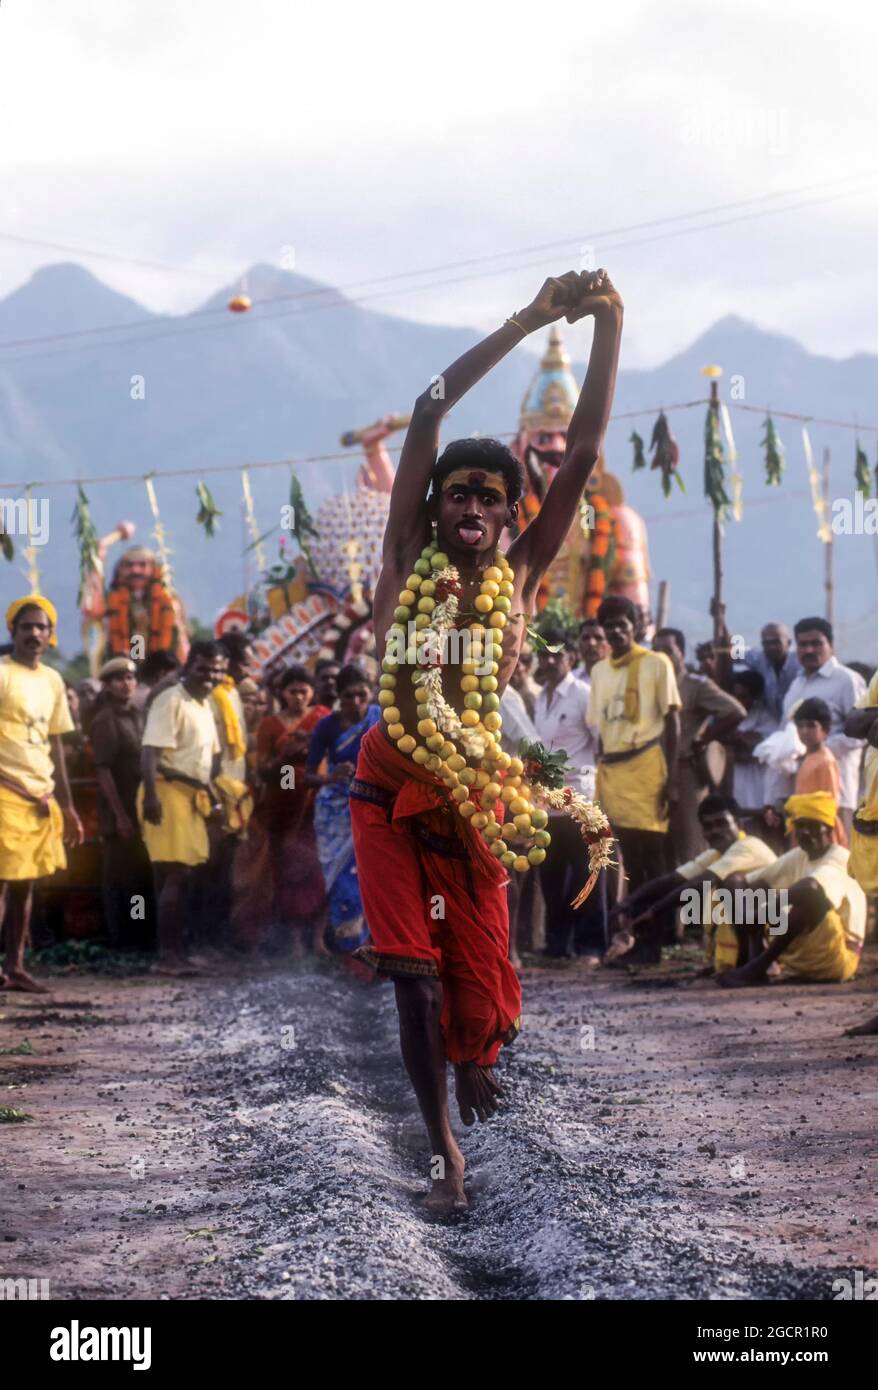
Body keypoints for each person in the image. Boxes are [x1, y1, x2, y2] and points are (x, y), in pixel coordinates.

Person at [349, 267, 624, 1214]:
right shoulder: (401, 563)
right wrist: (529, 320)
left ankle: (474, 1057)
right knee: (413, 982)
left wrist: (609, 323)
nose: (470, 505)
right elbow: (427, 413)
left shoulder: (527, 581)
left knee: (481, 994)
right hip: (388, 790)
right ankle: (442, 1155)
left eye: (490, 498)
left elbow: (582, 453)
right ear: (434, 510)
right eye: (456, 494)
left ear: (511, 517)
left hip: (478, 795)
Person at [0, 597, 83, 992]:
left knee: (25, 883)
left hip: (40, 797)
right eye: (26, 627)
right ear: (12, 632)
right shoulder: (1, 673)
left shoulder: (53, 680)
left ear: (51, 636)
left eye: (41, 627)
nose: (34, 633)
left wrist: (67, 805)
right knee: (0, 882)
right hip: (4, 792)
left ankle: (15, 967)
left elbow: (56, 747)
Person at [607, 793, 776, 968]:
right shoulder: (717, 853)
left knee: (731, 883)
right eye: (708, 826)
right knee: (698, 891)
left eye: (722, 823)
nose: (715, 831)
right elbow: (673, 880)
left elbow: (701, 883)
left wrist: (654, 912)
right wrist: (627, 903)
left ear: (739, 825)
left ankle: (752, 963)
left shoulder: (748, 846)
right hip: (768, 931)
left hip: (780, 930)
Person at [717, 792, 866, 988]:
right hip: (801, 960)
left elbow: (811, 888)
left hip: (837, 958)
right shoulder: (799, 855)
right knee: (736, 884)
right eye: (800, 826)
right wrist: (743, 903)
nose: (804, 832)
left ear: (829, 829)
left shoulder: (840, 858)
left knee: (808, 899)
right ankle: (751, 962)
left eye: (813, 826)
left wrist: (762, 912)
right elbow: (751, 882)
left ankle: (757, 967)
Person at [138, 641, 225, 974]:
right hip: (165, 790)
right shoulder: (170, 699)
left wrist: (216, 800)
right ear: (190, 666)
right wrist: (150, 796)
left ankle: (179, 952)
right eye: (204, 668)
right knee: (176, 872)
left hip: (193, 795)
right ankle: (167, 957)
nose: (211, 675)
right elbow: (150, 753)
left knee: (185, 875)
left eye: (217, 670)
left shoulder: (205, 705)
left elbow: (205, 765)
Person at [588, 595, 681, 894]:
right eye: (610, 626)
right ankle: (634, 932)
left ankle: (655, 935)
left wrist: (673, 779)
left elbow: (673, 723)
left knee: (651, 855)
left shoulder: (657, 663)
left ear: (635, 627)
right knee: (624, 854)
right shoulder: (599, 671)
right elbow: (600, 727)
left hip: (646, 769)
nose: (616, 631)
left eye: (622, 625)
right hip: (613, 775)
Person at [533, 629, 605, 962]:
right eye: (543, 656)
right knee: (551, 876)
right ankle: (557, 946)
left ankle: (590, 945)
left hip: (579, 797)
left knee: (583, 873)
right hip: (546, 801)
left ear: (570, 659)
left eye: (555, 656)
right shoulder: (538, 697)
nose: (548, 662)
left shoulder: (584, 695)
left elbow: (601, 743)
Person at [652, 627, 745, 863]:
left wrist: (704, 738)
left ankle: (700, 899)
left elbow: (735, 711)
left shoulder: (696, 685)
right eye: (656, 650)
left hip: (685, 773)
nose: (661, 655)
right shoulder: (652, 685)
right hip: (652, 772)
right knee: (659, 848)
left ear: (681, 652)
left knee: (690, 846)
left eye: (668, 650)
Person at [307, 665, 381, 956]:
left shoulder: (381, 719)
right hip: (336, 811)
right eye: (348, 696)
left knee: (372, 875)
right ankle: (333, 944)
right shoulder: (327, 726)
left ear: (371, 692)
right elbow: (306, 776)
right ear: (338, 697)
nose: (356, 703)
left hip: (373, 804)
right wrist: (331, 775)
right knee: (335, 875)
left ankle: (369, 943)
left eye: (361, 695)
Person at [256, 665, 330, 957]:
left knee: (318, 867)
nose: (299, 697)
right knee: (288, 868)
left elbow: (334, 752)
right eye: (292, 691)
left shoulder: (323, 717)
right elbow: (262, 768)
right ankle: (296, 940)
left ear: (312, 692)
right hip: (283, 802)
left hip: (318, 801)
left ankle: (318, 938)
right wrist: (283, 758)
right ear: (282, 693)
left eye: (304, 691)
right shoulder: (270, 725)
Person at [771, 618, 865, 834]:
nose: (809, 649)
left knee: (837, 858)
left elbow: (860, 734)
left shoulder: (846, 680)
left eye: (816, 643)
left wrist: (815, 749)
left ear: (830, 645)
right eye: (802, 644)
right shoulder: (797, 685)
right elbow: (785, 737)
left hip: (836, 794)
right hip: (800, 794)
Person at [89, 656, 154, 950]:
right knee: (120, 877)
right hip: (119, 808)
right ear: (107, 685)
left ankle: (141, 935)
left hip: (140, 804)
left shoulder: (138, 716)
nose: (125, 684)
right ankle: (123, 939)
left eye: (129, 678)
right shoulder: (104, 721)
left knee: (140, 874)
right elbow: (102, 771)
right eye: (118, 679)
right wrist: (120, 816)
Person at [792, 697, 846, 845]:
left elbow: (829, 804)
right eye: (800, 726)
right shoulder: (807, 758)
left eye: (811, 726)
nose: (804, 731)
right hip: (804, 827)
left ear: (826, 730)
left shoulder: (826, 761)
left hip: (821, 832)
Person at [725, 669, 777, 823]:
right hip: (732, 778)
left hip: (756, 780)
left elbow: (767, 747)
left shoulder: (764, 717)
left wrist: (741, 738)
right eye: (734, 696)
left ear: (754, 697)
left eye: (742, 697)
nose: (737, 701)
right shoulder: (723, 716)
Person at [744, 622, 800, 725]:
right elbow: (730, 652)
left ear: (789, 642)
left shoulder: (800, 662)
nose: (771, 647)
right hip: (772, 725)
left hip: (799, 725)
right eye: (766, 643)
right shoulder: (758, 657)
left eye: (776, 642)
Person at [573, 617, 609, 681]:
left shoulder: (621, 678)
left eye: (598, 638)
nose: (591, 643)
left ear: (610, 644)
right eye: (586, 638)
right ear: (579, 644)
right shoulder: (570, 680)